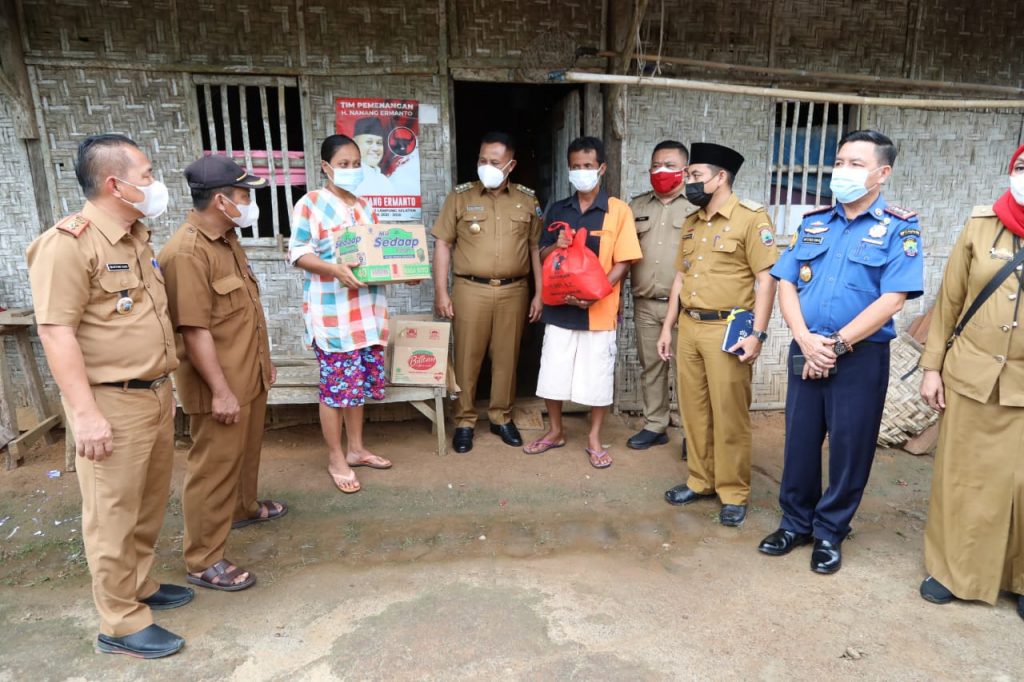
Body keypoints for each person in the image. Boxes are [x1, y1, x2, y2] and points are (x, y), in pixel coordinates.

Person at [27, 134, 187, 658]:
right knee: (112, 514)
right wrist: (85, 414)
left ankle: (137, 586)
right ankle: (119, 623)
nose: (154, 184)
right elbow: (56, 332)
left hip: (154, 394)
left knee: (145, 504)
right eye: (146, 175)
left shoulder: (135, 237)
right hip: (110, 403)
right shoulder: (68, 244)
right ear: (115, 184)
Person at [757, 130, 923, 573]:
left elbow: (894, 297)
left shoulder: (899, 228)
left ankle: (830, 531)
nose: (842, 172)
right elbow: (785, 280)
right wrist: (806, 339)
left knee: (851, 447)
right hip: (807, 348)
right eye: (839, 162)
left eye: (855, 164)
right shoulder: (813, 223)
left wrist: (837, 344)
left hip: (860, 358)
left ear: (882, 173)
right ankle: (795, 523)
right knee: (800, 441)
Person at [158, 155, 287, 593]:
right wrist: (220, 391)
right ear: (220, 200)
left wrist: (262, 360)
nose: (250, 203)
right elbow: (194, 331)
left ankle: (244, 507)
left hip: (245, 373)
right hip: (220, 385)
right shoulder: (186, 252)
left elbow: (240, 311)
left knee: (245, 451)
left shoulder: (225, 237)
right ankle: (203, 558)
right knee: (212, 468)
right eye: (244, 195)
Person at [917, 142, 1024, 619]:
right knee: (961, 479)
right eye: (1022, 166)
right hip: (972, 374)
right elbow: (950, 302)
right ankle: (953, 571)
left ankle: (1018, 580)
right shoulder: (981, 225)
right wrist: (932, 368)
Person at [657, 143, 778, 528]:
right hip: (689, 327)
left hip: (729, 329)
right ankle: (700, 480)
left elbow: (767, 279)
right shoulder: (692, 222)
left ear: (720, 177)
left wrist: (757, 334)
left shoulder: (751, 219)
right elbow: (680, 277)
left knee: (729, 413)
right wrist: (667, 326)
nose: (688, 182)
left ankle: (733, 491)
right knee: (693, 411)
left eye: (695, 176)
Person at [526, 136, 642, 468]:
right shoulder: (558, 209)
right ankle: (555, 431)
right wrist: (556, 244)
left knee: (597, 377)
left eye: (588, 166)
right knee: (553, 372)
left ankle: (593, 438)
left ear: (601, 168)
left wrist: (595, 292)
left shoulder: (618, 211)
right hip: (560, 307)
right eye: (575, 167)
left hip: (599, 310)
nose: (581, 172)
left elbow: (625, 261)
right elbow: (543, 253)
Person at [288, 134, 395, 494]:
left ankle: (357, 449)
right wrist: (335, 269)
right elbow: (298, 253)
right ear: (326, 167)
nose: (351, 170)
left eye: (355, 164)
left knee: (357, 387)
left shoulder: (366, 208)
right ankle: (336, 457)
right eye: (343, 164)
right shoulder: (311, 203)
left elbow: (378, 256)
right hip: (332, 315)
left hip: (367, 313)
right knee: (336, 391)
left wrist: (403, 272)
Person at [431, 132, 543, 453]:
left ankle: (501, 417)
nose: (487, 166)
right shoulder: (460, 197)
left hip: (515, 290)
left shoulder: (526, 200)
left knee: (507, 357)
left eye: (494, 162)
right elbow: (443, 243)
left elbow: (535, 248)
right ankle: (464, 421)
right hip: (470, 289)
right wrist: (442, 291)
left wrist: (540, 294)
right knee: (467, 356)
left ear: (511, 165)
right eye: (482, 160)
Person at [627, 140, 695, 453]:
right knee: (651, 366)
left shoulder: (697, 205)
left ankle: (689, 433)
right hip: (645, 304)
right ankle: (655, 424)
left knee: (687, 371)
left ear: (685, 169)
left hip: (685, 306)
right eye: (656, 165)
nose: (661, 171)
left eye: (669, 165)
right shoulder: (636, 206)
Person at [352, 117, 396, 196]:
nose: (375, 148)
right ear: (355, 144)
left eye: (379, 143)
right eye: (369, 142)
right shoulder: (349, 178)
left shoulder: (384, 181)